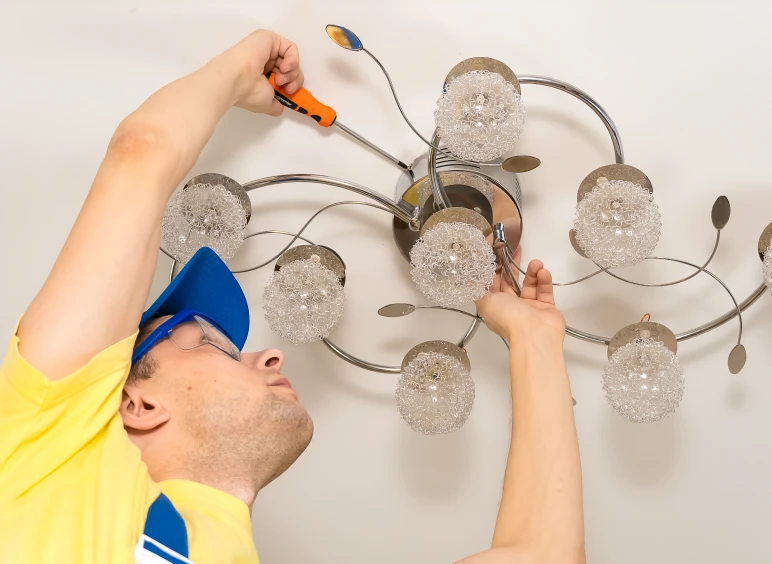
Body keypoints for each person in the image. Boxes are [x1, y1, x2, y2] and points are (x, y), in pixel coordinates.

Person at [0, 29, 585, 564]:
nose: (271, 355)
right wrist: (233, 70)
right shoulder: (50, 444)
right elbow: (141, 151)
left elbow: (143, 155)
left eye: (219, 348)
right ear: (137, 405)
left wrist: (534, 338)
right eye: (218, 347)